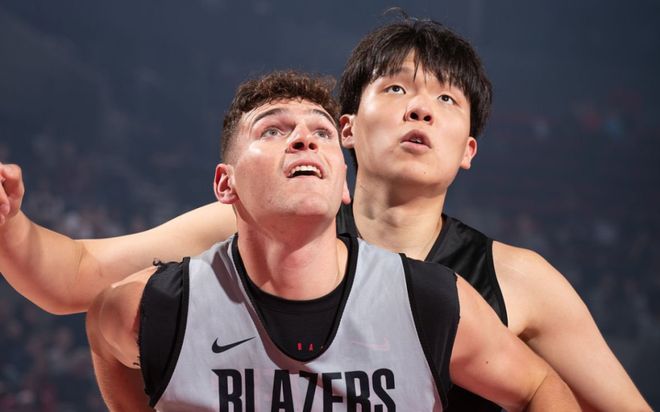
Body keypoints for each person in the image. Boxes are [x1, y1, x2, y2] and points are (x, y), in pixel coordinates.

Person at [0, 16, 650, 411]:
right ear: (346, 128)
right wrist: (9, 222)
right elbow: (73, 278)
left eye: (448, 100)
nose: (420, 109)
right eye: (396, 87)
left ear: (469, 150)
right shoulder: (256, 227)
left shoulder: (520, 280)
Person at [85, 70, 578, 411]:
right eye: (273, 130)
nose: (304, 139)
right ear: (225, 184)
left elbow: (540, 386)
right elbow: (101, 329)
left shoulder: (429, 300)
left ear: (342, 183)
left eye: (322, 133)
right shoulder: (160, 306)